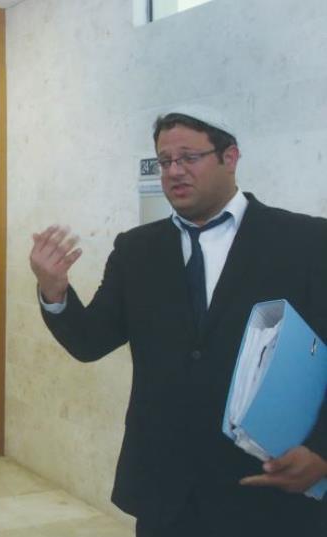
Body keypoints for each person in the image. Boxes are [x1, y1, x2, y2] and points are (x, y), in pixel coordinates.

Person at [29, 107, 327, 537]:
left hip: (271, 489)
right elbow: (90, 340)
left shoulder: (304, 241)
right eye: (165, 161)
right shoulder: (136, 250)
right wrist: (54, 292)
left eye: (189, 157)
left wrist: (321, 448)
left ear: (230, 158)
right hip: (167, 491)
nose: (174, 172)